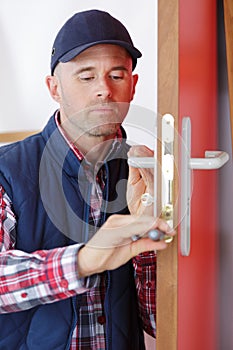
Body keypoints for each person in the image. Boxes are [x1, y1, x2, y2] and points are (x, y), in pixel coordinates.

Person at [0, 9, 175, 350]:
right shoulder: (6, 170)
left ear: (133, 85)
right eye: (85, 76)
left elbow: (161, 322)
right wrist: (85, 259)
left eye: (117, 75)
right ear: (54, 88)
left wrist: (149, 231)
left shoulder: (150, 173)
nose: (104, 91)